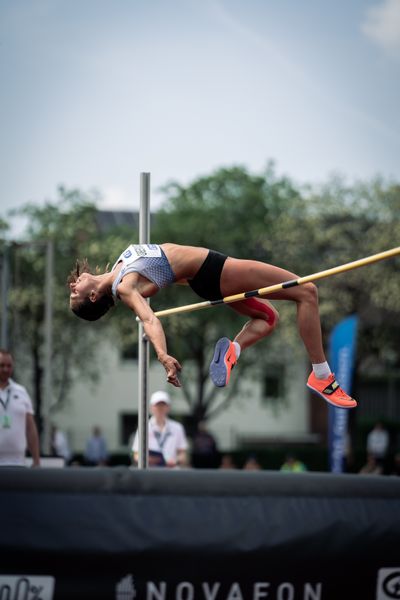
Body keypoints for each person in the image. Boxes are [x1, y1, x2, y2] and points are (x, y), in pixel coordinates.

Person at [68, 243, 356, 408]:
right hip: (215, 270)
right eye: (74, 292)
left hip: (206, 281)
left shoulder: (119, 269)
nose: (72, 284)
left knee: (268, 319)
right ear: (94, 297)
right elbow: (149, 319)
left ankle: (233, 351)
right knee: (307, 292)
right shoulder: (125, 286)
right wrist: (163, 355)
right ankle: (322, 376)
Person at [0, 349, 40, 467]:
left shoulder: (21, 392)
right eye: (1, 365)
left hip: (18, 462)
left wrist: (36, 460)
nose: (5, 369)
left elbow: (30, 428)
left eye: (9, 366)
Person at [132, 390, 188, 468]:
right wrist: (151, 459)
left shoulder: (177, 427)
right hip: (150, 472)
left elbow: (182, 454)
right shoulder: (144, 427)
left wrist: (175, 461)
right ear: (151, 407)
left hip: (171, 472)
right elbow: (136, 455)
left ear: (168, 407)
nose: (160, 408)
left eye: (163, 405)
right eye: (157, 405)